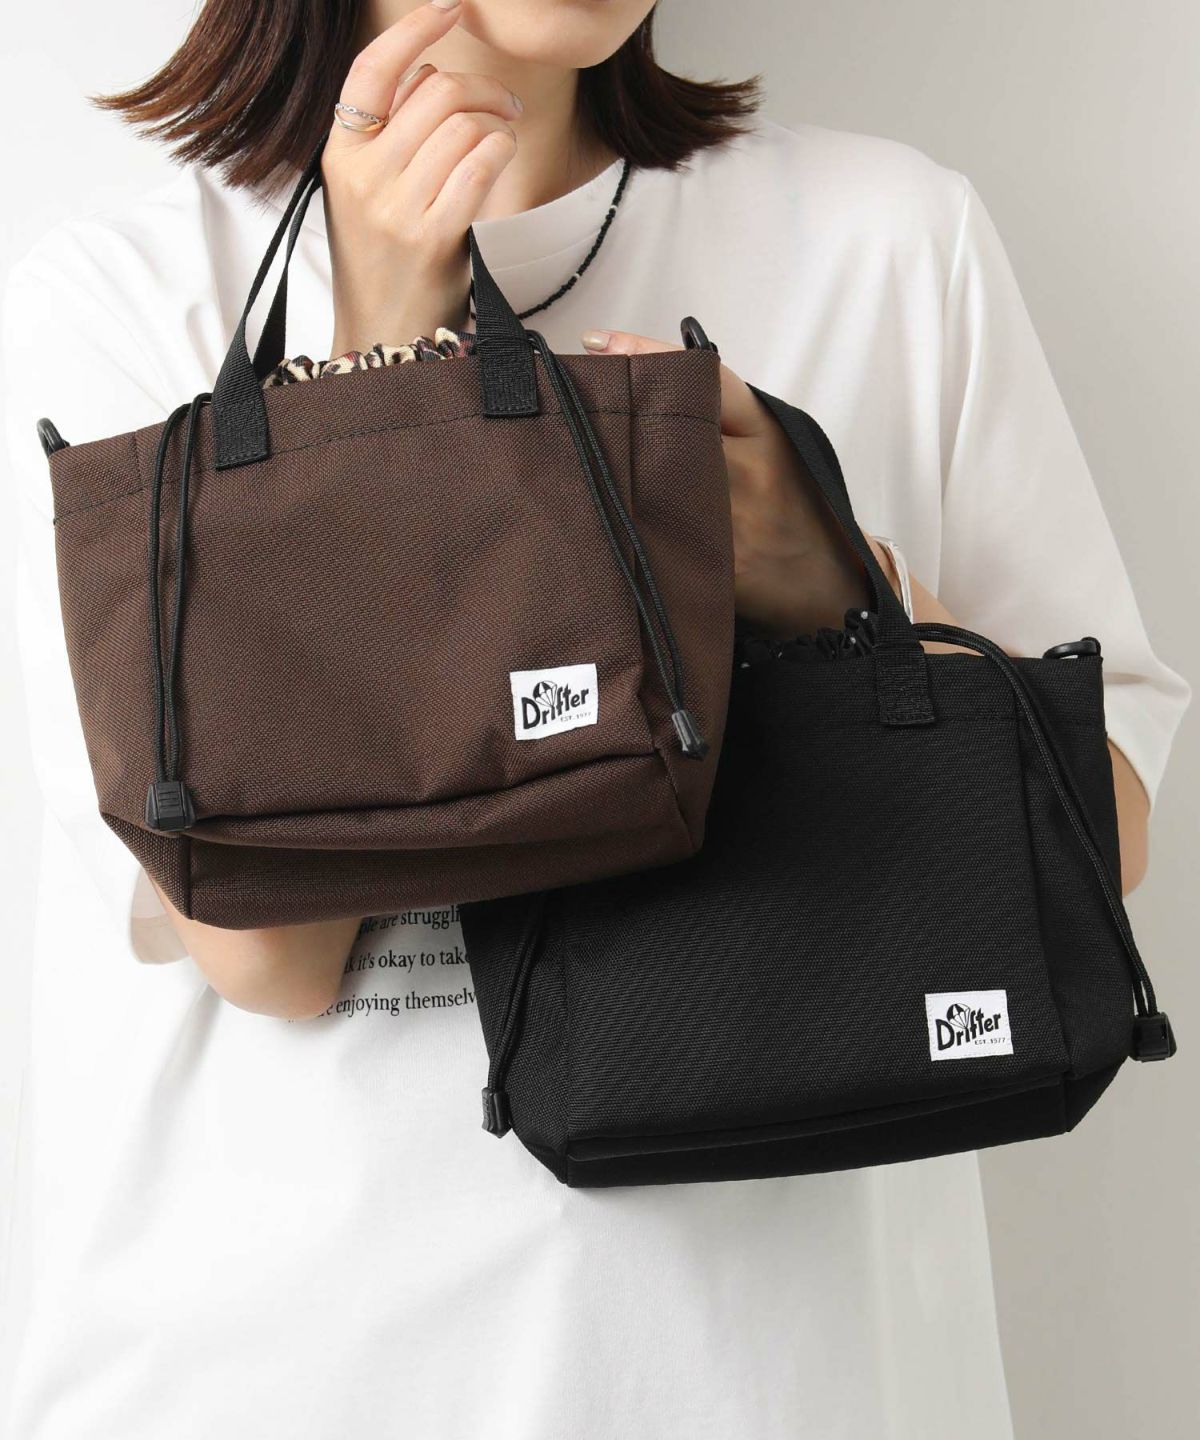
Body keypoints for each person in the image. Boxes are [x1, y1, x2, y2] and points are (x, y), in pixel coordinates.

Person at [2, 1, 1188, 1436]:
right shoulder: (129, 298)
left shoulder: (885, 238)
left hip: (790, 1392)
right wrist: (377, 372)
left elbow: (1102, 839)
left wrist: (842, 587)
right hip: (296, 1381)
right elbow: (271, 957)